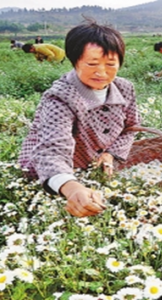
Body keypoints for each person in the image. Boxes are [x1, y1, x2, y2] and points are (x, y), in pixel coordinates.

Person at [18, 17, 141, 218]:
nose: (101, 72)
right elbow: (52, 150)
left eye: (111, 64)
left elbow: (132, 126)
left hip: (95, 162)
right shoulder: (59, 97)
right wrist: (72, 188)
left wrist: (110, 154)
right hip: (55, 172)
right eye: (92, 64)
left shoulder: (124, 88)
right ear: (75, 61)